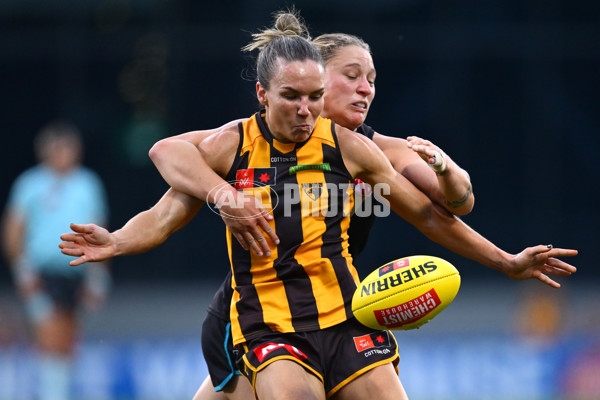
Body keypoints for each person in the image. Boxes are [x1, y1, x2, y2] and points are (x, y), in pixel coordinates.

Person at [60, 11, 576, 400]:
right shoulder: (232, 146)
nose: (305, 108)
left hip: (345, 311)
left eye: (312, 95)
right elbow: (165, 188)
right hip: (260, 315)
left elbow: (433, 212)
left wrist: (505, 260)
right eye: (294, 96)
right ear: (263, 94)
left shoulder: (356, 148)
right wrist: (126, 237)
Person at [2, 120, 110, 400]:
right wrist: (23, 272)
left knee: (70, 339)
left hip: (77, 271)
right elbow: (14, 231)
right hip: (43, 271)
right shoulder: (30, 184)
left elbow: (99, 229)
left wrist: (99, 276)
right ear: (46, 151)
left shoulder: (87, 183)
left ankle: (61, 391)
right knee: (50, 334)